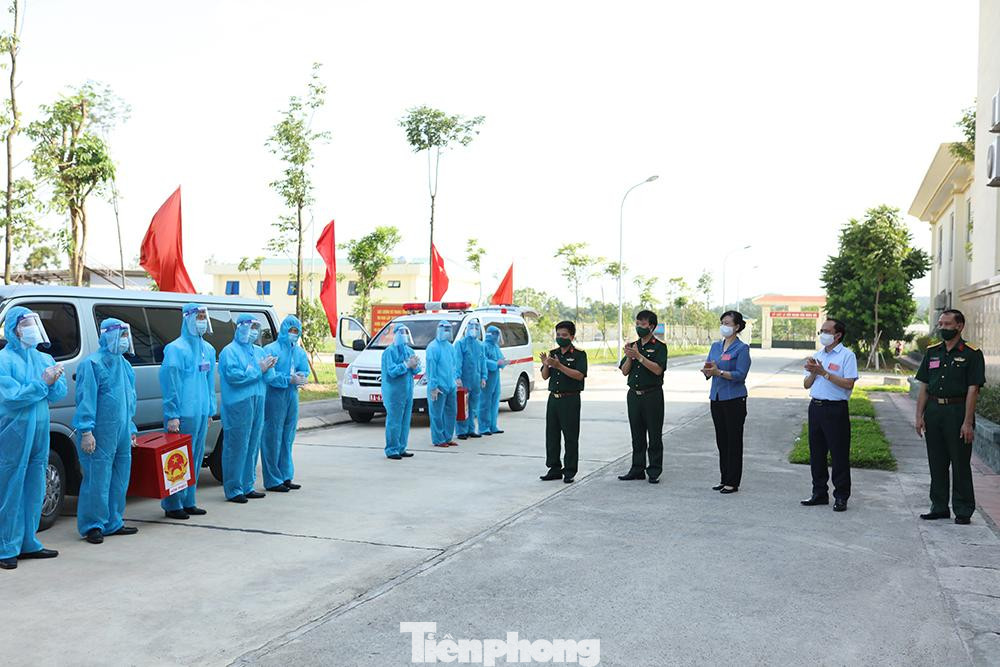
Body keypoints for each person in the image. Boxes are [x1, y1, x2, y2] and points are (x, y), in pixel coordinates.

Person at [0, 307, 68, 569]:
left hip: (40, 428)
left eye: (33, 323)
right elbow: (12, 396)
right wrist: (42, 383)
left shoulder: (43, 358)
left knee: (35, 484)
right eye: (26, 323)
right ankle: (6, 546)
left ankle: (29, 541)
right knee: (11, 485)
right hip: (14, 429)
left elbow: (55, 395)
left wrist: (54, 380)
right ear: (15, 328)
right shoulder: (4, 360)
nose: (31, 328)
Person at [915, 309, 985, 525]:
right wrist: (919, 416)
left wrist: (967, 422)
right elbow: (924, 386)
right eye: (940, 324)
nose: (942, 328)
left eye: (947, 324)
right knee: (936, 462)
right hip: (934, 411)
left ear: (959, 326)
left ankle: (963, 510)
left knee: (960, 462)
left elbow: (973, 390)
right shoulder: (932, 352)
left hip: (957, 411)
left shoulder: (972, 353)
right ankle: (939, 507)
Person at [73, 318, 139, 544]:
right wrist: (86, 430)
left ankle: (114, 521)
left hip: (121, 431)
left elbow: (129, 399)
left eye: (125, 336)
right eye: (121, 335)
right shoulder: (92, 364)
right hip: (99, 431)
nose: (124, 341)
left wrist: (130, 427)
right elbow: (86, 399)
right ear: (107, 335)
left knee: (120, 477)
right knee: (97, 478)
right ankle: (93, 525)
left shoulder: (125, 365)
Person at [160, 303, 217, 520]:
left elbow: (209, 382)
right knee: (177, 459)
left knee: (195, 457)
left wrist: (210, 409)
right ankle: (173, 504)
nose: (202, 320)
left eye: (204, 316)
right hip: (183, 413)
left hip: (201, 412)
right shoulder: (176, 349)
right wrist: (172, 414)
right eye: (199, 316)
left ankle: (189, 500)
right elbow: (170, 384)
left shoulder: (208, 349)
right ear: (188, 319)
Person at [801, 318, 858, 512]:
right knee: (816, 453)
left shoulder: (847, 356)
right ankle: (819, 492)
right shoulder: (817, 355)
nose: (822, 334)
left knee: (838, 454)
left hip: (835, 409)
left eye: (826, 331)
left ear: (837, 335)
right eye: (821, 331)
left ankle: (841, 496)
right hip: (815, 407)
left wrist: (824, 372)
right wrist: (813, 373)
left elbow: (849, 384)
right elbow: (806, 384)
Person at [219, 316, 277, 503]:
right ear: (240, 328)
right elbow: (235, 377)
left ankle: (247, 485)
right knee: (236, 446)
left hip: (258, 401)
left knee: (252, 444)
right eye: (251, 327)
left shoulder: (259, 351)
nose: (253, 331)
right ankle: (234, 488)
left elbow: (267, 379)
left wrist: (270, 368)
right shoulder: (229, 352)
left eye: (256, 328)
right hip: (238, 405)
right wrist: (258, 370)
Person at [702, 310, 751, 494]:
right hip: (716, 397)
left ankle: (733, 481)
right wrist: (708, 371)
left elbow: (741, 375)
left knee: (734, 440)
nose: (724, 326)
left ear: (737, 327)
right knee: (721, 440)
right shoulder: (715, 346)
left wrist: (719, 372)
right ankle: (724, 478)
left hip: (734, 399)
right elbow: (709, 365)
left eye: (728, 323)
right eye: (723, 322)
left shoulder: (741, 349)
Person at [617, 310, 668, 484]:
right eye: (637, 324)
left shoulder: (660, 346)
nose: (639, 327)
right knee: (637, 434)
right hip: (634, 396)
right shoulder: (633, 345)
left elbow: (658, 369)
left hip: (652, 395)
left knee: (654, 434)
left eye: (643, 324)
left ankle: (654, 470)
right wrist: (631, 357)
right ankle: (637, 468)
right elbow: (624, 371)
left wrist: (639, 357)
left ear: (652, 326)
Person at [262, 315, 310, 491]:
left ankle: (286, 475)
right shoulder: (271, 349)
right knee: (272, 437)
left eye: (296, 331)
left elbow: (304, 369)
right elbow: (270, 377)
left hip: (292, 396)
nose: (293, 334)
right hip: (275, 397)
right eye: (290, 330)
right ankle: (273, 479)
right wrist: (288, 379)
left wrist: (302, 377)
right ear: (283, 330)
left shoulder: (299, 352)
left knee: (288, 437)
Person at [539, 321, 587, 484]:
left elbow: (579, 375)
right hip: (554, 399)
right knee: (551, 435)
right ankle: (554, 468)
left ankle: (569, 470)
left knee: (570, 436)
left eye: (564, 335)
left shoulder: (580, 355)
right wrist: (547, 364)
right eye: (558, 335)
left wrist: (559, 366)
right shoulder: (553, 353)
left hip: (570, 398)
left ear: (572, 337)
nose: (560, 338)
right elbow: (545, 376)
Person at [381, 323, 421, 459]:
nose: (403, 335)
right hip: (394, 393)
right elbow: (391, 371)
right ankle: (392, 449)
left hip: (408, 392)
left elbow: (416, 370)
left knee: (405, 421)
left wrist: (415, 365)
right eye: (401, 332)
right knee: (394, 421)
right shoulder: (389, 352)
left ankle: (401, 447)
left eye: (405, 332)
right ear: (395, 334)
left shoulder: (409, 351)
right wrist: (405, 365)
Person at [426, 320, 460, 448]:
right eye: (444, 329)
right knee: (437, 414)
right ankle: (438, 439)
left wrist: (455, 380)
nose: (447, 332)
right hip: (438, 386)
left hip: (450, 385)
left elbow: (453, 365)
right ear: (438, 330)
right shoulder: (433, 347)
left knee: (451, 412)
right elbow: (431, 369)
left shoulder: (450, 347)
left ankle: (448, 437)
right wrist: (433, 386)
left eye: (448, 329)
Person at [455, 321, 487, 440]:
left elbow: (482, 362)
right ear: (466, 328)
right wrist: (457, 377)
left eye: (476, 327)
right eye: (471, 327)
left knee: (473, 406)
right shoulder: (460, 344)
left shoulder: (480, 345)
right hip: (464, 380)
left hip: (476, 380)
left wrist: (484, 377)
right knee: (463, 405)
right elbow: (458, 362)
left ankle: (471, 429)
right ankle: (461, 430)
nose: (474, 329)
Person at [480, 325, 509, 436]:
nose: (498, 337)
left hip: (496, 376)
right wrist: (495, 364)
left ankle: (493, 425)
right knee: (485, 402)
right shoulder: (484, 346)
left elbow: (500, 358)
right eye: (496, 334)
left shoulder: (495, 346)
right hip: (487, 377)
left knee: (495, 400)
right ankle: (484, 426)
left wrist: (503, 362)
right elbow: (483, 361)